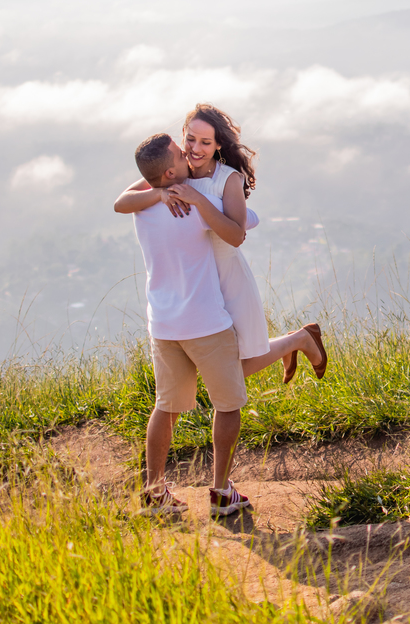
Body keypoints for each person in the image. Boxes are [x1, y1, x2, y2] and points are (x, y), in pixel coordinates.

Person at [113, 132, 326, 518]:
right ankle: (221, 492)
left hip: (163, 325)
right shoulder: (197, 203)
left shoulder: (141, 206)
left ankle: (153, 493)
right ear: (170, 170)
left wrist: (159, 192)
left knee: (166, 407)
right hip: (206, 321)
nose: (188, 153)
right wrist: (203, 196)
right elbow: (244, 225)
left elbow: (122, 200)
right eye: (182, 152)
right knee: (228, 404)